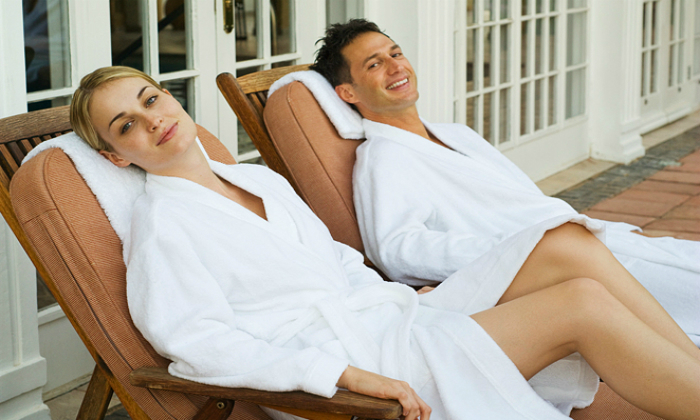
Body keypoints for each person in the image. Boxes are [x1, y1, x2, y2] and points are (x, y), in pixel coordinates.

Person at [70, 66, 700, 420]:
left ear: (171, 97)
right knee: (581, 305)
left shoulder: (255, 180)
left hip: (387, 318)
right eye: (127, 124)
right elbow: (195, 344)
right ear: (116, 157)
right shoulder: (164, 227)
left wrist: (396, 293)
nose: (152, 119)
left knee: (566, 247)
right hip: (346, 364)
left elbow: (338, 259)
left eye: (151, 99)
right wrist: (340, 375)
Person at [311, 19, 700, 348]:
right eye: (374, 64)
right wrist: (515, 247)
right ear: (348, 92)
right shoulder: (384, 158)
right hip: (551, 266)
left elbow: (525, 202)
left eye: (395, 53)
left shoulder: (455, 134)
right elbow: (398, 248)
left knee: (683, 264)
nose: (395, 67)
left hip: (584, 245)